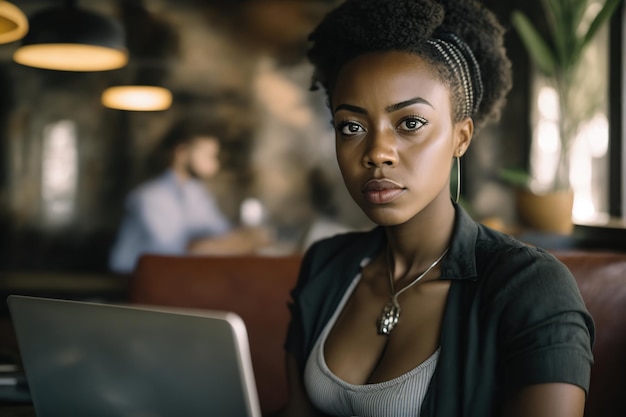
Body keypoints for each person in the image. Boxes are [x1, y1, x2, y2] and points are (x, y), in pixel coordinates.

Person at [279, 0, 595, 416]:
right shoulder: (326, 266)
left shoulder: (530, 288)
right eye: (351, 127)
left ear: (461, 137)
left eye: (410, 123)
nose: (377, 153)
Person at [109, 123, 268, 274]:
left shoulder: (196, 193)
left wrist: (237, 239)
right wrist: (235, 242)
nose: (215, 164)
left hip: (174, 277)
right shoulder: (149, 197)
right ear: (181, 153)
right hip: (132, 282)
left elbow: (222, 232)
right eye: (208, 155)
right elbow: (177, 252)